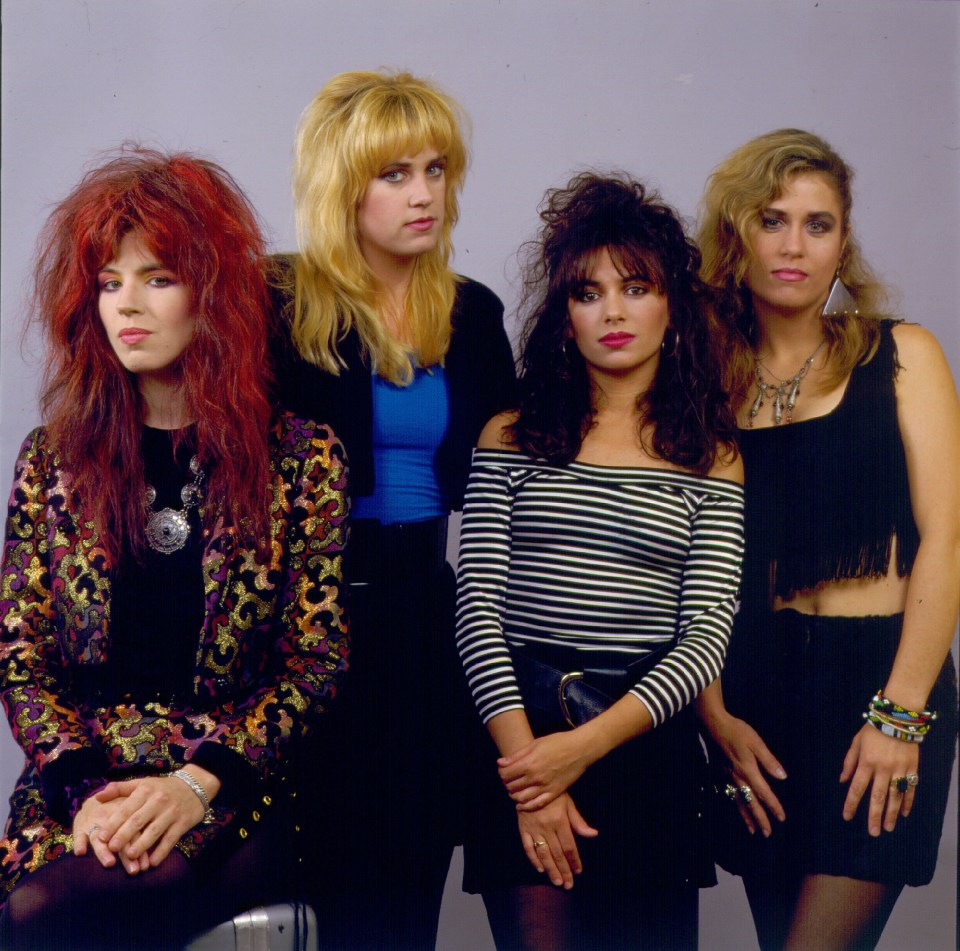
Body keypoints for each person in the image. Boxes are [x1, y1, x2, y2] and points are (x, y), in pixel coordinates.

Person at [0, 149, 349, 951]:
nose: (128, 304)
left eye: (157, 277)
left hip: (228, 781)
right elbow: (20, 655)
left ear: (212, 295)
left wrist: (194, 783)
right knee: (31, 909)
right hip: (78, 780)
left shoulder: (303, 458)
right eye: (109, 281)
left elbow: (315, 661)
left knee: (55, 913)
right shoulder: (52, 457)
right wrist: (85, 790)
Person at [455, 173, 745, 950]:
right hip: (519, 733)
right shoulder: (508, 436)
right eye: (589, 292)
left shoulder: (711, 459)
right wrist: (531, 773)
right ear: (564, 317)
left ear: (672, 304)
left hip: (641, 747)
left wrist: (582, 748)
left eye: (637, 286)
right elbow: (477, 614)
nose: (613, 311)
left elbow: (705, 638)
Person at [268, 70, 516, 950]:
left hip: (425, 615)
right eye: (395, 173)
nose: (424, 195)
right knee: (318, 891)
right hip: (304, 622)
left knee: (410, 890)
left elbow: (510, 476)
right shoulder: (277, 302)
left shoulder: (474, 313)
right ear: (343, 184)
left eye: (436, 169)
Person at [696, 129, 959, 951]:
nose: (795, 245)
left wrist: (899, 715)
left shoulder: (901, 354)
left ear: (844, 243)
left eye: (820, 224)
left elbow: (947, 539)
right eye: (773, 220)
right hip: (753, 701)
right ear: (737, 236)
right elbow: (688, 565)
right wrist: (713, 715)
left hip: (877, 681)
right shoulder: (707, 382)